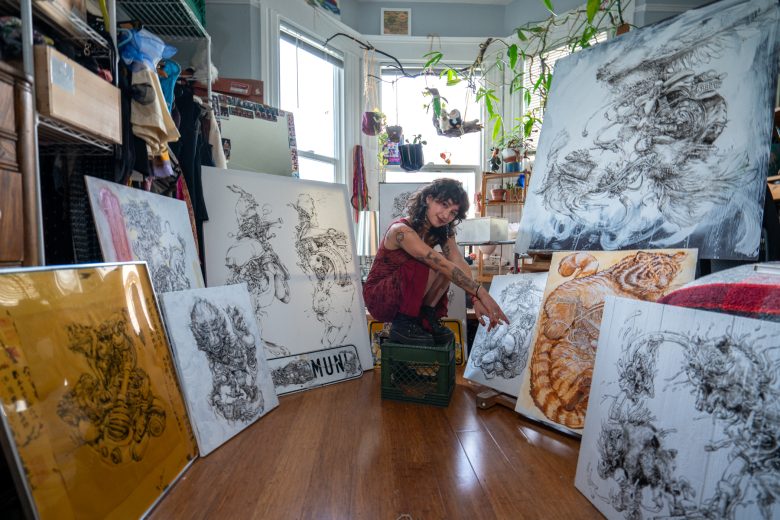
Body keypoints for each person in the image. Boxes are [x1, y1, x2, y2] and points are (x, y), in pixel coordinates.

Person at [363, 178, 510, 346]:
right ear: (428, 199)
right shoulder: (401, 230)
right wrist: (482, 293)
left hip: (407, 297)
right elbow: (439, 263)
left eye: (453, 212)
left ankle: (425, 318)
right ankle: (405, 324)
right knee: (432, 261)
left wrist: (475, 299)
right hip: (379, 296)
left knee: (447, 264)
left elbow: (458, 262)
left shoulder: (443, 232)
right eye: (444, 204)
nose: (446, 215)